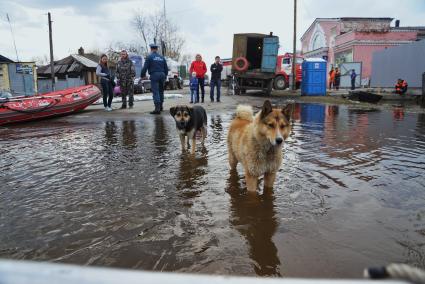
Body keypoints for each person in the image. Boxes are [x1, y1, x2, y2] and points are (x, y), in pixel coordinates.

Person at [141, 43, 168, 114]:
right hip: (162, 75)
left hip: (154, 75)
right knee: (161, 91)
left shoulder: (149, 57)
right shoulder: (162, 57)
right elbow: (166, 68)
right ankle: (161, 106)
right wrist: (165, 76)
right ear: (156, 49)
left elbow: (145, 67)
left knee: (156, 92)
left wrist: (142, 75)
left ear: (151, 49)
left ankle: (157, 109)